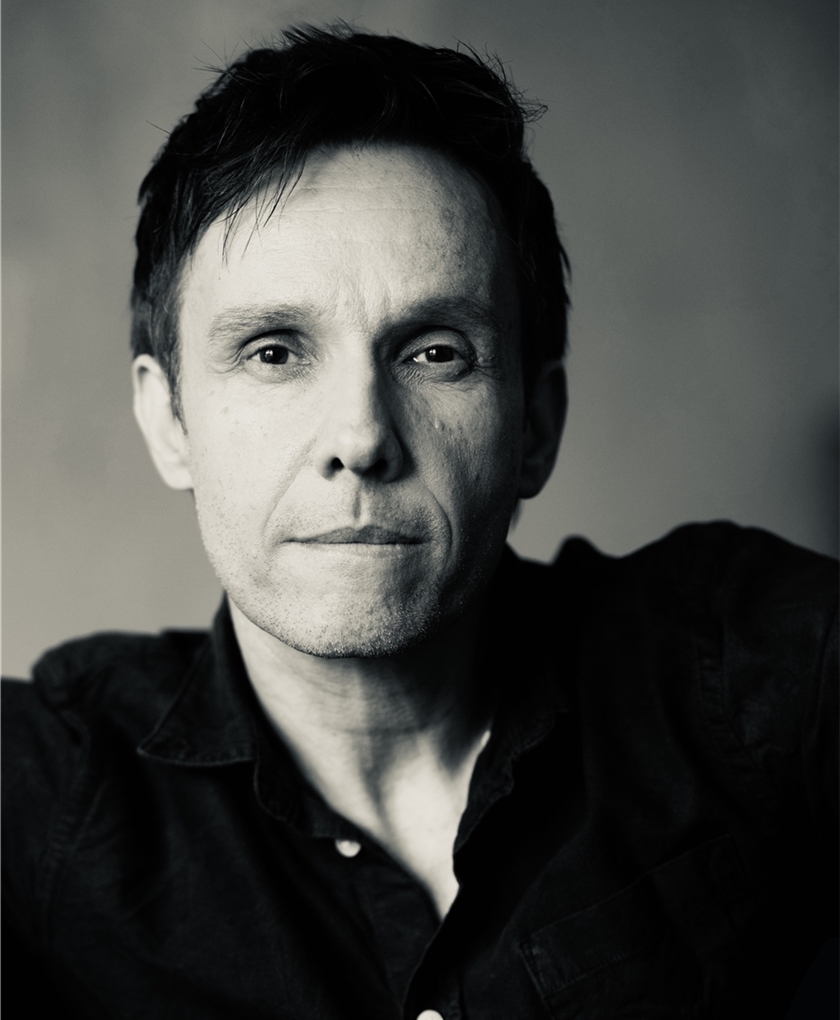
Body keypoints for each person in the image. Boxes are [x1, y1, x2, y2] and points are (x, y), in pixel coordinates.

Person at [2, 24, 836, 1020]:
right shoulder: (45, 800)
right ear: (168, 420)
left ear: (536, 425)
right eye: (273, 351)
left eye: (435, 352)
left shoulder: (740, 674)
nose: (361, 437)